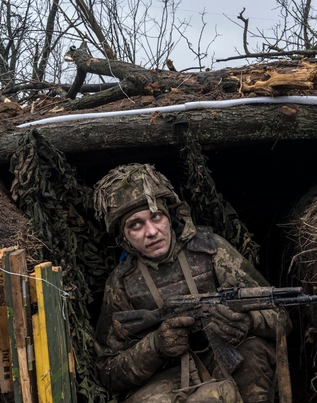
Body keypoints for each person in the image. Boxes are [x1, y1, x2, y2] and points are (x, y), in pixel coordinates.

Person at [93, 163, 290, 403]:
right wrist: (156, 346)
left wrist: (249, 322)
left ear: (170, 217)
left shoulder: (212, 250)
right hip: (166, 375)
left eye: (156, 217)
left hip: (224, 357)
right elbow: (109, 372)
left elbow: (280, 317)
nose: (152, 231)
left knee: (252, 352)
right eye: (136, 224)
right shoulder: (122, 283)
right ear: (124, 237)